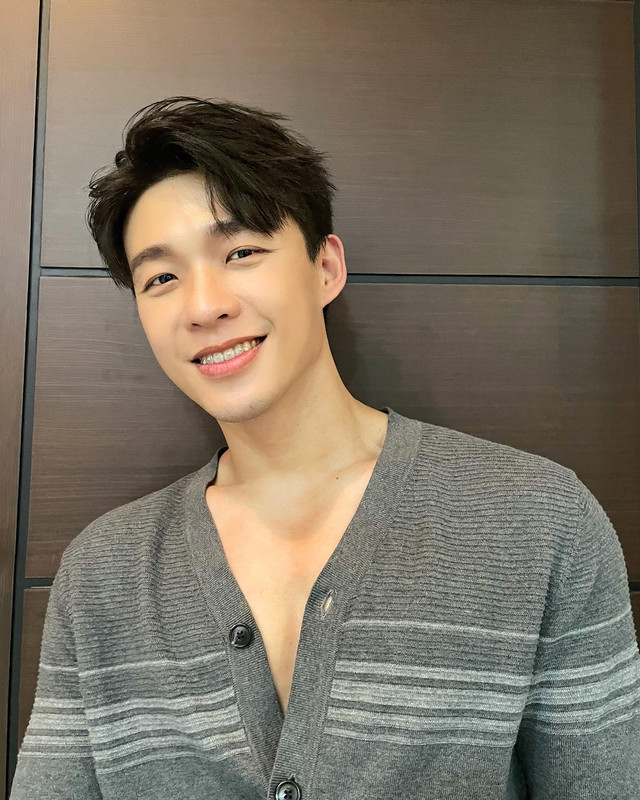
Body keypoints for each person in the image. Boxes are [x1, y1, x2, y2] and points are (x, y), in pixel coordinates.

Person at [10, 96, 640, 800]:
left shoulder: (540, 522)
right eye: (161, 278)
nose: (204, 306)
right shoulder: (102, 573)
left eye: (241, 252)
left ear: (325, 268)